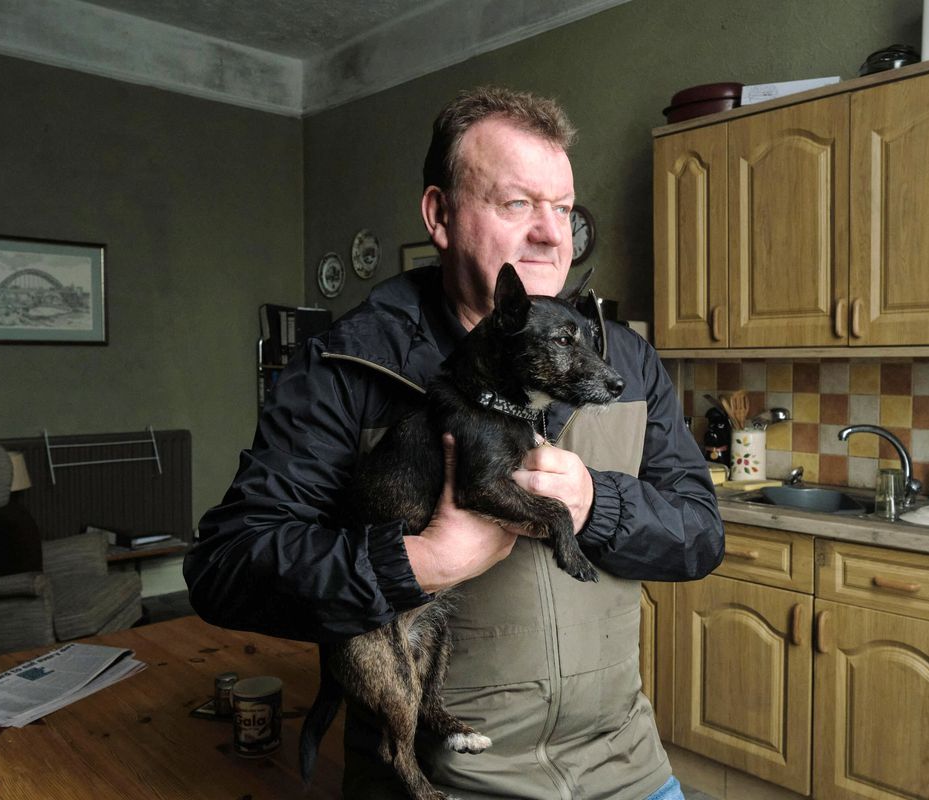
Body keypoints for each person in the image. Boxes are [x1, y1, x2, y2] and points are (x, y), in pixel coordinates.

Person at [184, 86, 724, 800]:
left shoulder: (623, 362)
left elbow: (700, 534)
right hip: (444, 784)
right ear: (439, 215)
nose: (551, 234)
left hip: (627, 771)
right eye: (516, 204)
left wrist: (598, 505)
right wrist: (416, 561)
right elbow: (226, 566)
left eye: (562, 208)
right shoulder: (347, 367)